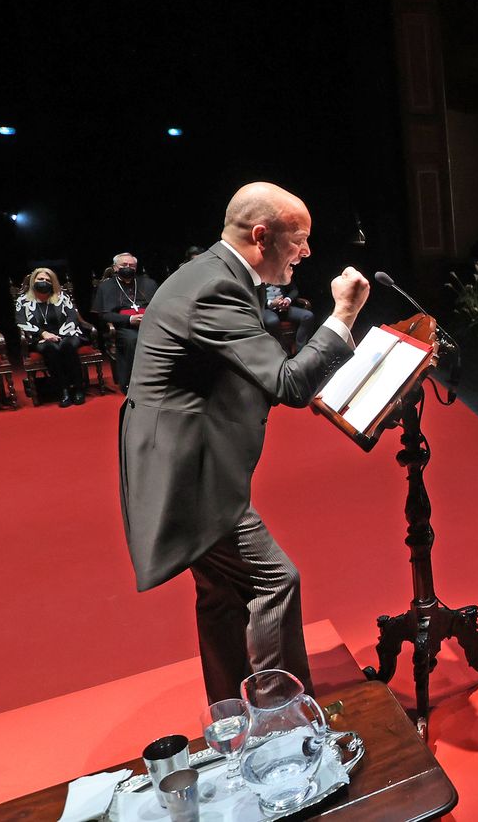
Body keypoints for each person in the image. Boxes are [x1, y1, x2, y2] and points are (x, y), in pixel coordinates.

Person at [118, 181, 370, 703]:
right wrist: (343, 315)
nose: (307, 252)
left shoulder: (219, 274)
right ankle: (284, 726)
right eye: (299, 240)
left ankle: (232, 714)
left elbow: (255, 377)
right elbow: (289, 384)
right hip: (188, 475)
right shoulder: (215, 286)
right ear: (262, 235)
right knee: (276, 580)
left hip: (180, 460)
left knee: (222, 594)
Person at [15, 267, 90, 406]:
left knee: (67, 346)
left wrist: (60, 335)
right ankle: (63, 391)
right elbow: (21, 322)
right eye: (40, 279)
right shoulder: (23, 300)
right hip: (40, 337)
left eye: (47, 280)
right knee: (51, 350)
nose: (44, 282)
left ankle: (79, 389)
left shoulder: (61, 296)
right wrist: (43, 333)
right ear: (33, 281)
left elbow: (72, 317)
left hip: (67, 333)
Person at [92, 252, 159, 390]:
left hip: (151, 324)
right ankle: (131, 382)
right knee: (132, 339)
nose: (128, 267)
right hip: (124, 326)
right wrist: (129, 319)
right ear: (115, 267)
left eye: (132, 265)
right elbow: (104, 315)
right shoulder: (106, 287)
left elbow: (160, 306)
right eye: (124, 265)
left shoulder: (148, 283)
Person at [261, 281, 319, 354]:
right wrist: (271, 303)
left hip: (284, 307)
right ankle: (284, 352)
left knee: (308, 316)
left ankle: (301, 351)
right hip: (267, 308)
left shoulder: (280, 273)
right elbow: (255, 295)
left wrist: (287, 300)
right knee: (272, 321)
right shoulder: (259, 276)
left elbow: (294, 290)